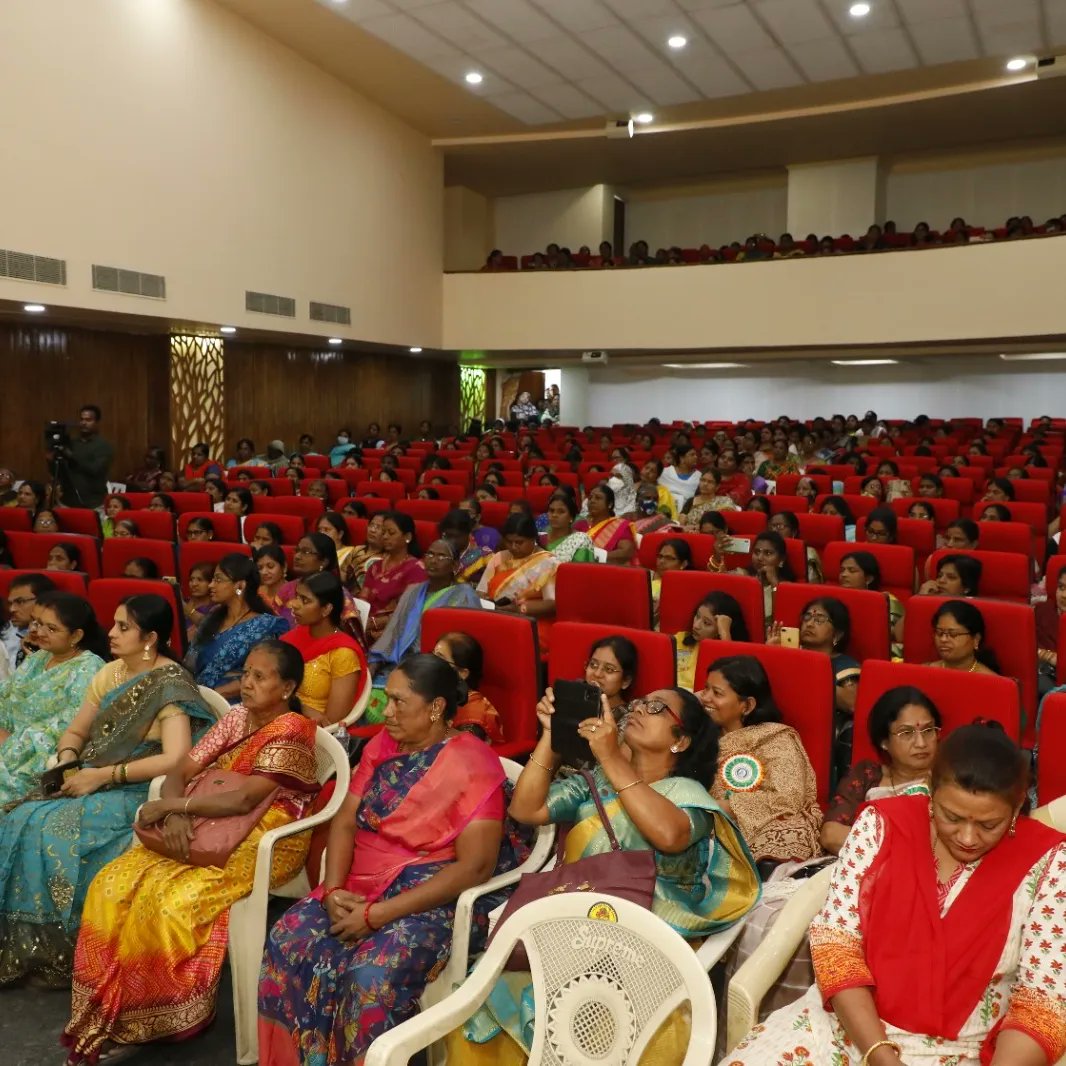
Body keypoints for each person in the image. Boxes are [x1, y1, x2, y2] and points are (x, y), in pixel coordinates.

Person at [727, 722, 1066, 1066]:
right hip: (846, 1029)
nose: (967, 837)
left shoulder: (1049, 862)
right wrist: (879, 1055)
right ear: (930, 791)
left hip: (960, 1051)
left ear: (1018, 805)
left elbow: (1043, 1002)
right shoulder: (881, 825)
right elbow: (837, 947)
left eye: (988, 825)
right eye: (952, 817)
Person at [458, 678, 760, 1061]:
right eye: (639, 703)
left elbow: (668, 834)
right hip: (574, 929)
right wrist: (552, 738)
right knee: (482, 997)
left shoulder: (691, 797)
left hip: (647, 944)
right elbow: (526, 810)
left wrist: (611, 757)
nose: (637, 708)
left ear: (680, 741)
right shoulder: (597, 783)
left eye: (656, 708)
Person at [63, 640, 319, 1062]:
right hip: (203, 819)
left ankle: (151, 1015)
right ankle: (106, 1007)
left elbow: (244, 801)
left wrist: (174, 807)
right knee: (112, 883)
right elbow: (182, 769)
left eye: (261, 677)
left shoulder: (293, 730)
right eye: (247, 673)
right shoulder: (237, 718)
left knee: (170, 901)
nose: (248, 684)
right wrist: (178, 814)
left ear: (287, 687)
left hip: (269, 835)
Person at [258, 654, 519, 1066]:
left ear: (435, 708)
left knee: (369, 977)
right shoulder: (384, 744)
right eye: (388, 700)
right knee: (288, 937)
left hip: (428, 897)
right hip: (358, 881)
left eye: (399, 702)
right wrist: (333, 889)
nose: (388, 711)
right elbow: (345, 820)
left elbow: (475, 868)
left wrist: (378, 915)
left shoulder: (474, 764)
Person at [0, 596, 213, 988]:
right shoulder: (112, 673)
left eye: (123, 628)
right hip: (92, 774)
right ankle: (27, 950)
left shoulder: (168, 683)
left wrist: (105, 776)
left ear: (150, 638)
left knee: (53, 826)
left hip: (137, 788)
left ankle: (64, 955)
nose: (111, 634)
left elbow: (178, 757)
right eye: (113, 624)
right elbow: (78, 731)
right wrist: (67, 759)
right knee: (19, 817)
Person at [698, 655, 822, 866]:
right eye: (705, 688)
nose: (705, 697)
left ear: (747, 705)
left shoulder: (776, 737)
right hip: (705, 826)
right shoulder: (698, 736)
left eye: (717, 693)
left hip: (764, 828)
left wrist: (725, 807)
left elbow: (788, 797)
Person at [0, 592, 109, 805]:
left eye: (51, 629)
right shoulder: (40, 657)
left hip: (32, 758)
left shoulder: (89, 669)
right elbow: (6, 694)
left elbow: (66, 728)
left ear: (76, 636)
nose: (39, 632)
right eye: (39, 624)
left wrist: (9, 741)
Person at [365, 539, 482, 717]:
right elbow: (393, 633)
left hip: (432, 671)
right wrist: (372, 666)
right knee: (364, 696)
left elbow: (465, 647)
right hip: (398, 665)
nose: (433, 560)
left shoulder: (464, 596)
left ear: (455, 565)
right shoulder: (413, 590)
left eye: (441, 556)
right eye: (430, 554)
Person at [820, 686, 941, 855]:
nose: (921, 743)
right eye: (906, 732)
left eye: (928, 730)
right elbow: (831, 835)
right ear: (884, 741)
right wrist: (897, 849)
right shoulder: (867, 774)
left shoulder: (950, 780)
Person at [184, 553, 288, 701]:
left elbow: (263, 675)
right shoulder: (212, 619)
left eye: (218, 579)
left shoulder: (265, 626)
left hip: (236, 705)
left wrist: (211, 697)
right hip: (197, 696)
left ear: (240, 585)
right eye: (213, 579)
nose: (211, 585)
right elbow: (189, 663)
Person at [281, 572, 367, 731]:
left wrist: (292, 703)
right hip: (280, 716)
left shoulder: (343, 653)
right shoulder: (292, 637)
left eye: (305, 600)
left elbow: (332, 721)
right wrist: (299, 705)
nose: (294, 604)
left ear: (326, 609)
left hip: (314, 735)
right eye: (297, 596)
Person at [477, 513, 558, 651]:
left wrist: (520, 609)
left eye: (519, 542)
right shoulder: (499, 558)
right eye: (509, 542)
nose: (513, 547)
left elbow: (552, 604)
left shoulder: (548, 563)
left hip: (531, 624)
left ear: (533, 539)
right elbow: (480, 592)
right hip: (494, 616)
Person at [358, 511, 426, 643]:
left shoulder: (417, 568)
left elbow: (408, 611)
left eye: (391, 532)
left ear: (407, 537)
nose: (385, 536)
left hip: (394, 632)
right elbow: (363, 600)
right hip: (366, 626)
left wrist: (373, 624)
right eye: (383, 532)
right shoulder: (375, 566)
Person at [432, 632, 505, 744]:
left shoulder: (475, 715)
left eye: (439, 659)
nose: (430, 663)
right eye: (432, 656)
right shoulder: (431, 693)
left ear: (462, 673)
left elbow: (462, 752)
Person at [674, 591, 749, 690]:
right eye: (697, 616)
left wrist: (725, 633)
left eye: (706, 623)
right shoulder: (679, 638)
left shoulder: (728, 655)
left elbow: (732, 679)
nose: (696, 626)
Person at [838, 549, 905, 653]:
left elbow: (894, 634)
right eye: (842, 570)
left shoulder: (886, 601)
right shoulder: (834, 598)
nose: (844, 574)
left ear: (868, 578)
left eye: (852, 570)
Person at [50, 405, 113, 509]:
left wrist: (71, 455)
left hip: (93, 503)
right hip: (67, 502)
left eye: (88, 420)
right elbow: (60, 471)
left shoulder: (103, 446)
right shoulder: (71, 444)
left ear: (96, 422)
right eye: (82, 419)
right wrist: (51, 459)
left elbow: (94, 469)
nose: (84, 423)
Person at [924, 599, 999, 674]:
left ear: (976, 639)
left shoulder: (991, 681)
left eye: (953, 634)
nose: (943, 639)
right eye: (939, 633)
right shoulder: (924, 671)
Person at [1, 572, 56, 670]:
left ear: (43, 601)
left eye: (20, 602)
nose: (12, 609)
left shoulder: (54, 638)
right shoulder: (4, 629)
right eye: (10, 603)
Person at [581, 481, 635, 564]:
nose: (592, 501)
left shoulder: (619, 526)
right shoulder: (581, 524)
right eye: (590, 497)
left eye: (598, 498)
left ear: (609, 504)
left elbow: (626, 552)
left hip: (606, 571)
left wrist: (597, 556)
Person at [438, 508, 494, 585]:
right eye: (448, 536)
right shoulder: (437, 553)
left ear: (468, 533)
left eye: (456, 536)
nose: (452, 541)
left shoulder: (485, 557)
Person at [769, 511, 824, 582]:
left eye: (780, 526)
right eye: (771, 526)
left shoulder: (808, 553)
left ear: (793, 532)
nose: (774, 530)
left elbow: (813, 584)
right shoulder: (764, 550)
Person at [316, 511, 360, 587]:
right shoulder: (314, 552)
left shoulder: (352, 552)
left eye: (326, 530)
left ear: (340, 534)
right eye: (319, 530)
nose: (321, 534)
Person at [658, 445, 701, 512]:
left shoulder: (700, 477)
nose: (696, 457)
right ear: (682, 458)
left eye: (696, 455)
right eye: (692, 455)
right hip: (662, 511)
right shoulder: (664, 472)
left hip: (686, 513)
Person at [254, 544, 288, 614]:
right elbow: (238, 593)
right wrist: (238, 590)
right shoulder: (256, 592)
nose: (264, 572)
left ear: (284, 567)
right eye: (260, 568)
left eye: (270, 566)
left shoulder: (294, 593)